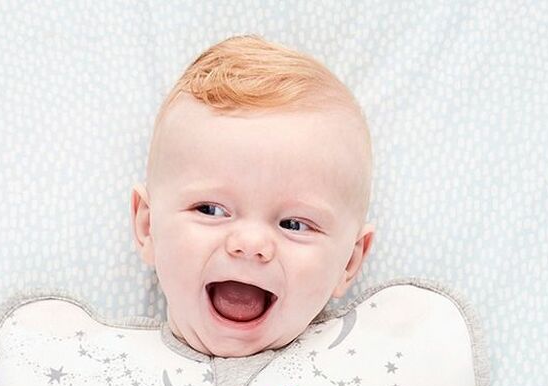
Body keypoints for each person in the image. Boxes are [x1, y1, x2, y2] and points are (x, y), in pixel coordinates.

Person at [130, 34, 377, 357]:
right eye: (210, 209)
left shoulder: (374, 367)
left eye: (294, 224)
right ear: (148, 226)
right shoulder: (92, 360)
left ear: (350, 262)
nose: (250, 244)